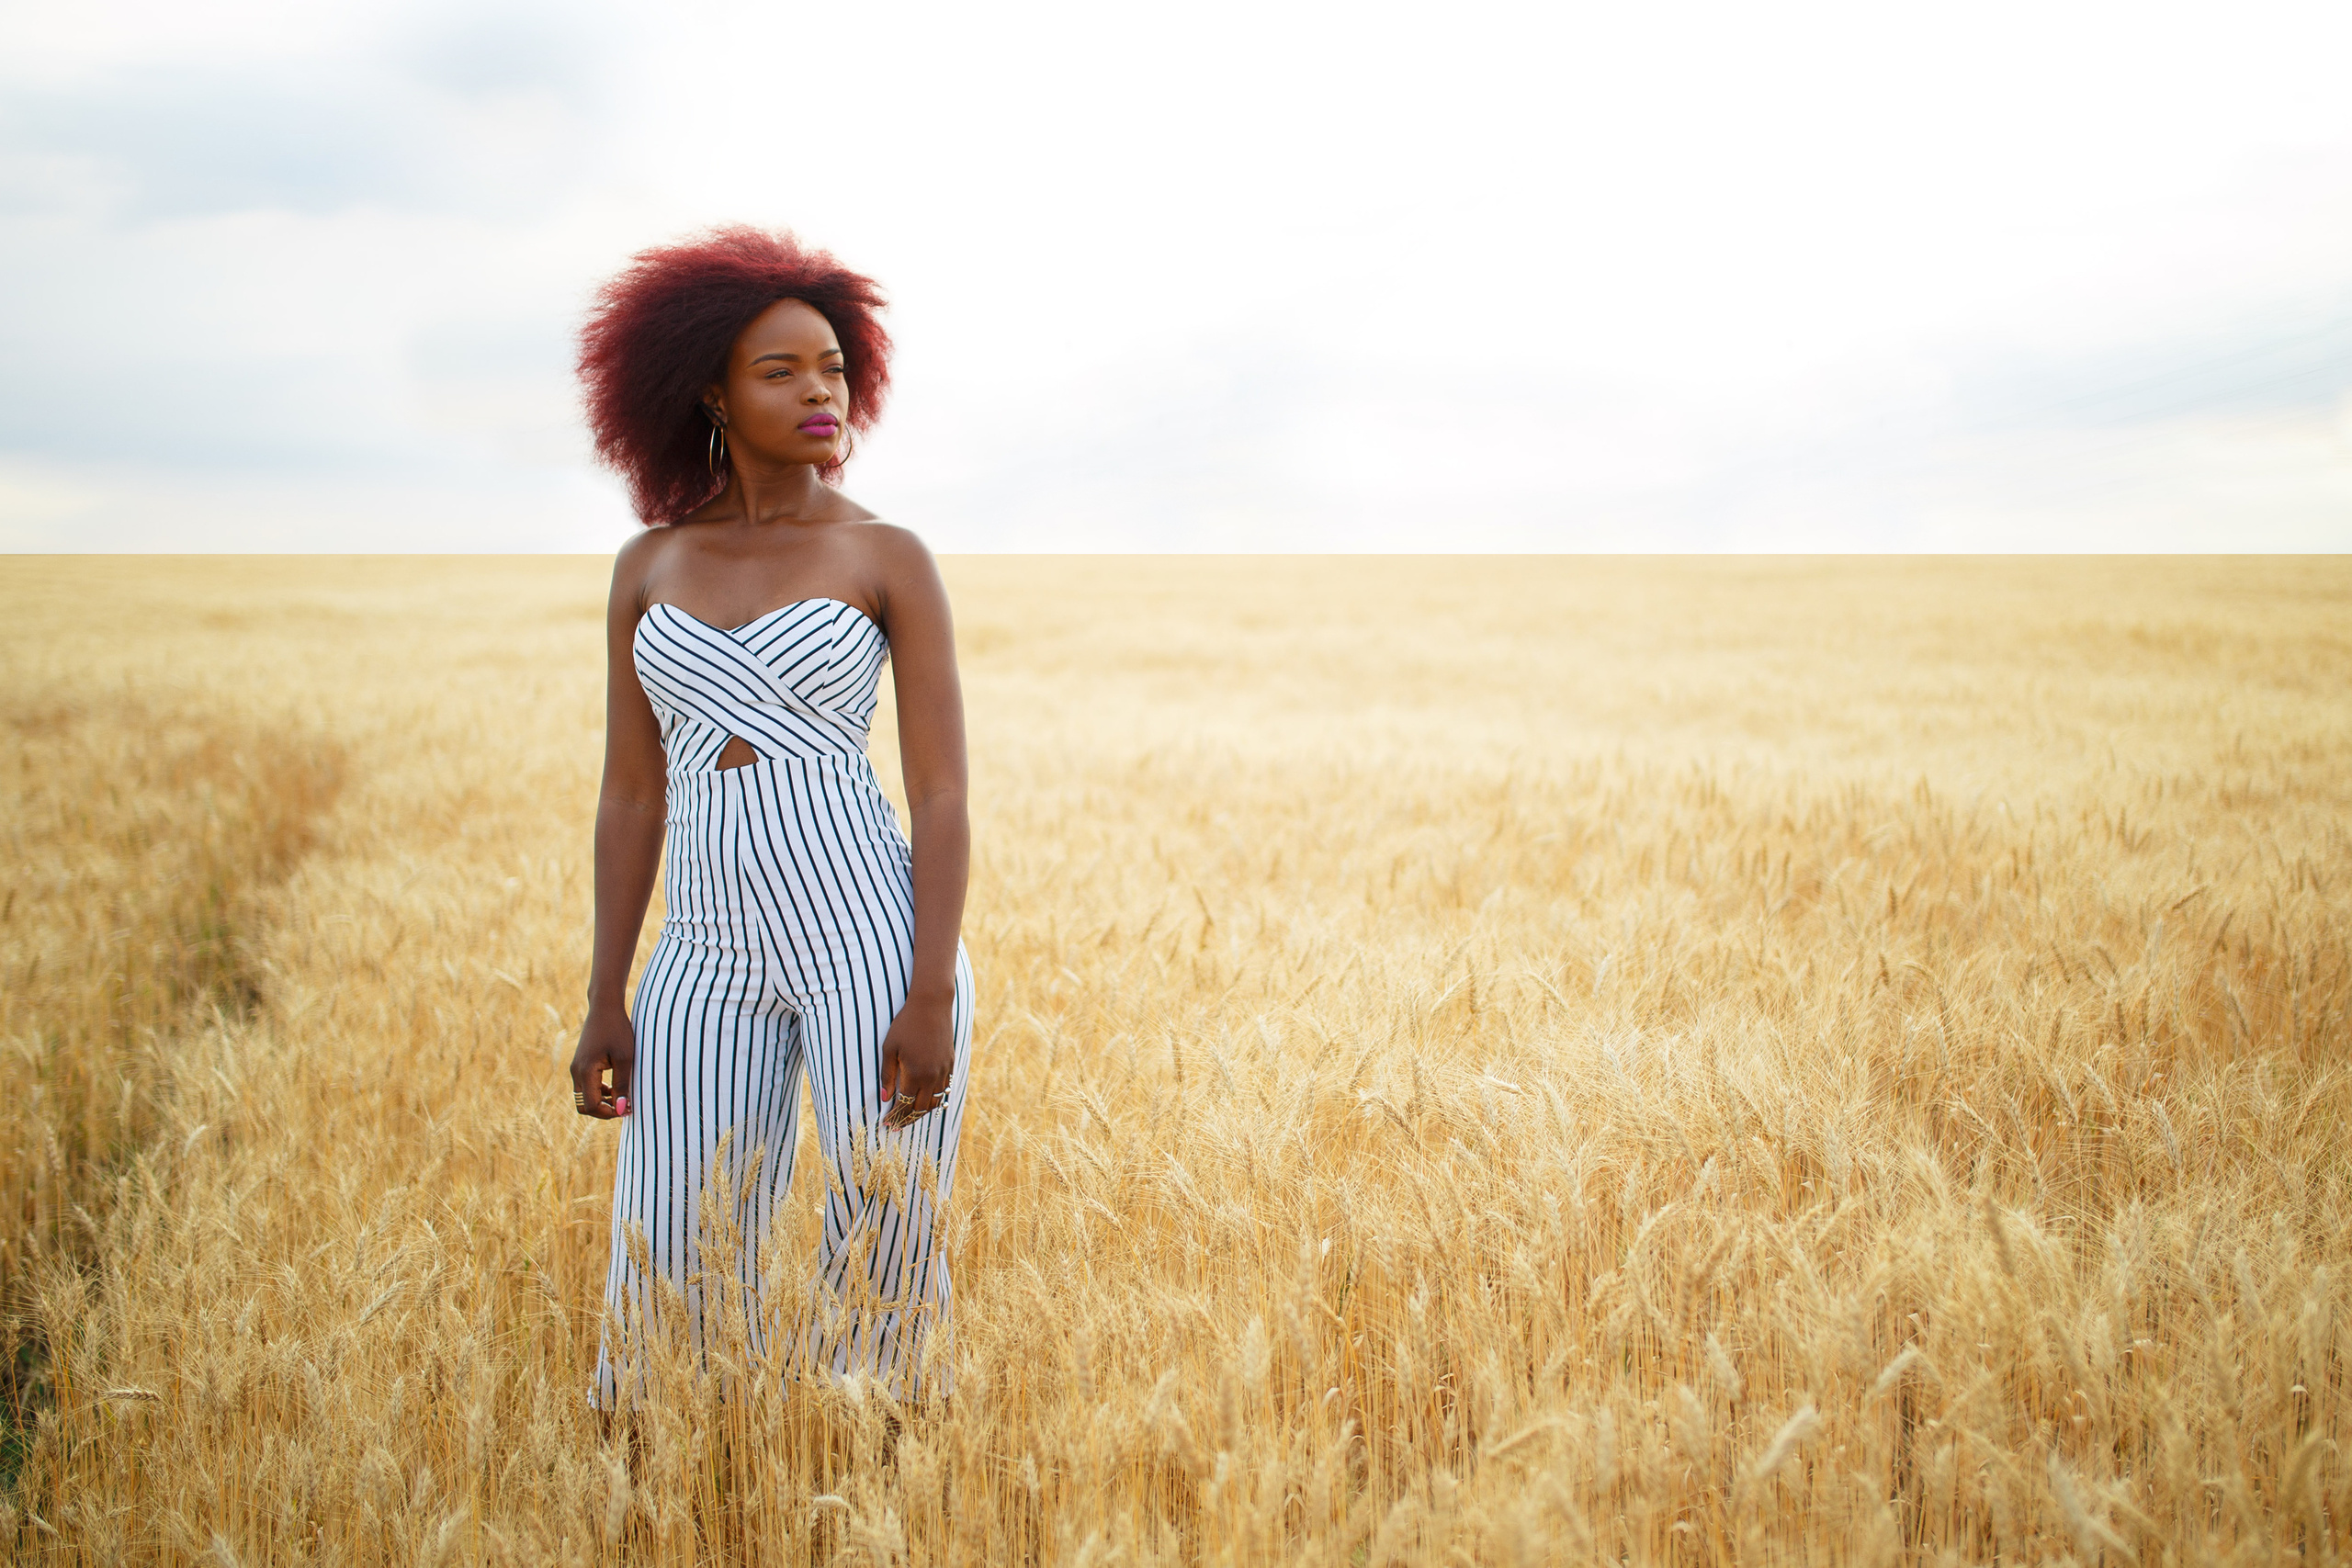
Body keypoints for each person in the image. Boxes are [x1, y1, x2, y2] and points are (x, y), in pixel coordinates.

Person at [568, 228, 972, 1404]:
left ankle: (877, 1496)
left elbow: (942, 792)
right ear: (708, 391)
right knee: (667, 1256)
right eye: (781, 370)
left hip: (866, 934)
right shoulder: (649, 564)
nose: (819, 391)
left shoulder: (884, 553)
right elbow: (630, 791)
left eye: (835, 366)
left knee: (881, 1252)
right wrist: (606, 991)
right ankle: (671, 1499)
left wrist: (930, 988)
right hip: (699, 947)